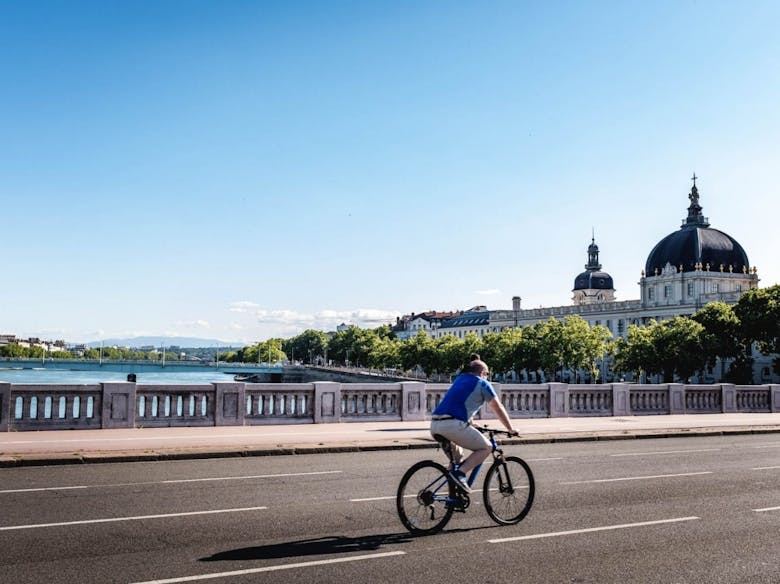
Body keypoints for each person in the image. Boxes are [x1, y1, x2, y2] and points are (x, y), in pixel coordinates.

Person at [430, 355, 518, 493]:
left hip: (435, 425)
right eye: (487, 374)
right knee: (486, 447)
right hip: (453, 426)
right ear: (482, 372)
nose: (487, 377)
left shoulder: (459, 379)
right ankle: (460, 475)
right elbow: (497, 407)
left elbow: (459, 403)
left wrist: (471, 423)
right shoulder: (483, 383)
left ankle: (451, 496)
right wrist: (510, 429)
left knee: (457, 460)